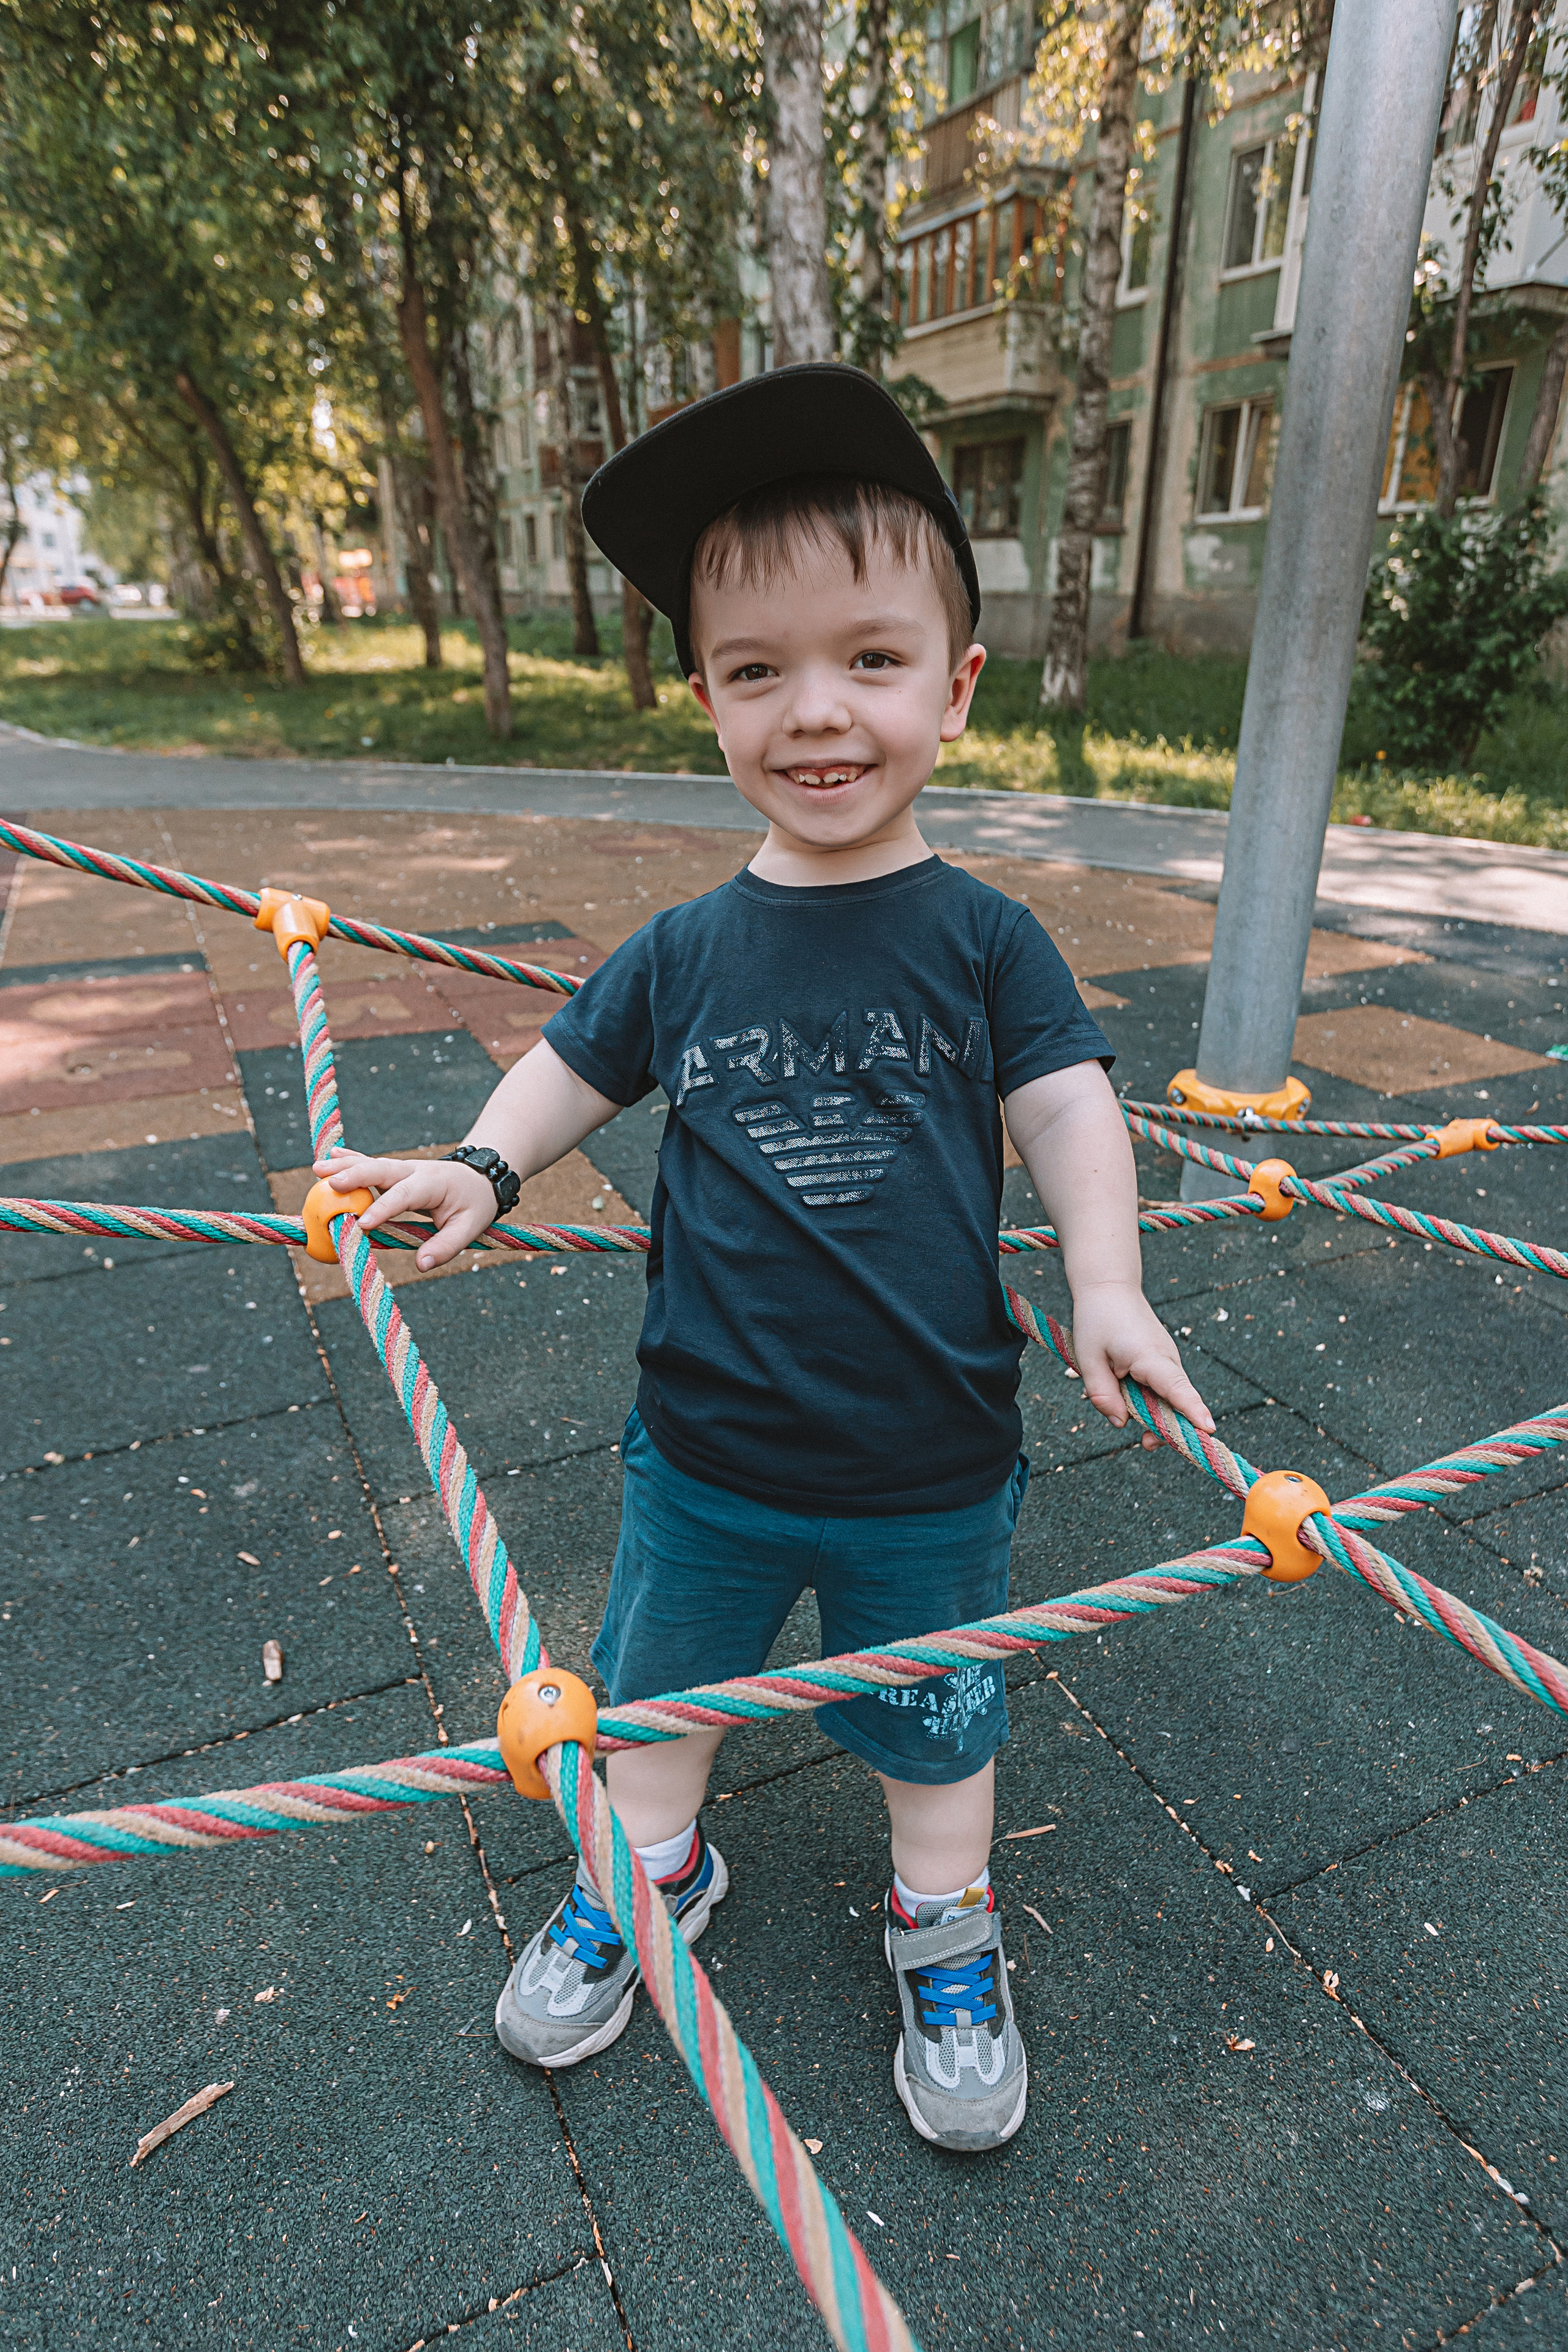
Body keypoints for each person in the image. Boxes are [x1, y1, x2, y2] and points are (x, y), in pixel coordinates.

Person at [317, 364, 1213, 2153]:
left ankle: (942, 1925)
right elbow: (571, 1064)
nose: (818, 713)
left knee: (938, 1734)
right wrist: (490, 1166)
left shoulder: (983, 938)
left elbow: (1068, 1113)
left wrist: (1107, 1280)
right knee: (652, 1714)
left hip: (930, 1460)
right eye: (757, 671)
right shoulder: (688, 946)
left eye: (869, 661)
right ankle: (654, 1875)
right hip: (709, 1456)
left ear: (956, 689)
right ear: (708, 703)